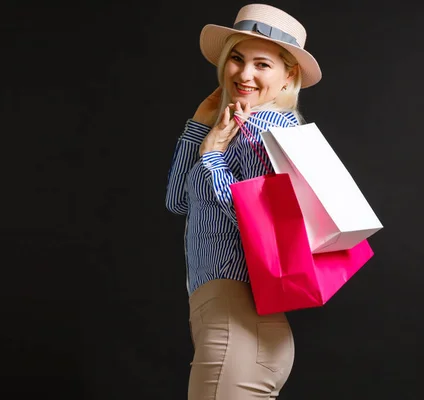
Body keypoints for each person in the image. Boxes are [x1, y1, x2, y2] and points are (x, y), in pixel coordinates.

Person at [165, 4, 322, 399]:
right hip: (237, 330)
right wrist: (200, 127)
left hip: (237, 326)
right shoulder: (234, 125)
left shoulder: (267, 128)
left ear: (289, 75)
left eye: (262, 64)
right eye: (236, 58)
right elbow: (177, 202)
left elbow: (260, 225)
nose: (244, 74)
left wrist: (212, 157)